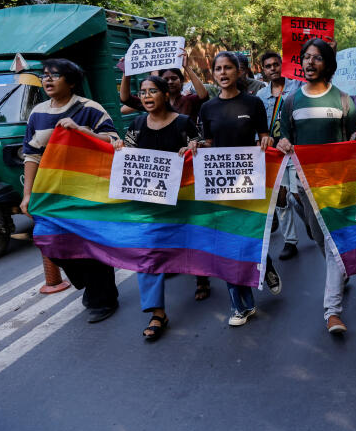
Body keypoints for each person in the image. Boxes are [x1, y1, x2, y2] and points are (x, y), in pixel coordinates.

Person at [21, 59, 120, 323]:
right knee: (50, 242)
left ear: (72, 81)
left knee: (90, 245)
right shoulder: (37, 113)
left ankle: (104, 299)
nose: (48, 80)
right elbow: (31, 156)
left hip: (88, 192)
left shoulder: (90, 109)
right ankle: (90, 284)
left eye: (55, 75)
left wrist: (83, 132)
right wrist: (27, 195)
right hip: (51, 193)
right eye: (44, 76)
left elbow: (114, 142)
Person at [189, 51, 280, 326]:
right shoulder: (207, 108)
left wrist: (267, 141)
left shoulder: (253, 103)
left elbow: (265, 137)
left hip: (248, 182)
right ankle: (239, 307)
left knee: (246, 239)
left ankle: (266, 264)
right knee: (225, 245)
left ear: (239, 72)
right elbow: (208, 143)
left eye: (228, 68)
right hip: (218, 185)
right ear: (213, 74)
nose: (223, 73)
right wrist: (195, 145)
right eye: (218, 69)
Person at [276, 38, 356, 334]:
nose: (310, 63)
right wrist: (282, 142)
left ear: (328, 64)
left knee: (332, 241)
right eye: (306, 58)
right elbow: (282, 137)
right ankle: (341, 271)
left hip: (336, 184)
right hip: (304, 184)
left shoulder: (345, 100)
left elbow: (354, 139)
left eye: (317, 58)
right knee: (317, 236)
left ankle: (332, 312)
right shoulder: (290, 101)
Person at [112, 76, 200, 340]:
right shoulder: (137, 124)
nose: (147, 96)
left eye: (153, 91)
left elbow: (205, 147)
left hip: (185, 202)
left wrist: (195, 147)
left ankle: (202, 276)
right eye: (143, 92)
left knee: (193, 244)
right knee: (148, 254)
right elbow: (127, 156)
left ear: (165, 94)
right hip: (151, 205)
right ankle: (157, 312)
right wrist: (120, 147)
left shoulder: (184, 123)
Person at [256, 51, 302, 261]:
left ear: (283, 66)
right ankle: (290, 240)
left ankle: (310, 223)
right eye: (268, 66)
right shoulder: (261, 96)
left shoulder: (297, 87)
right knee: (282, 198)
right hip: (274, 153)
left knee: (298, 194)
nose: (273, 68)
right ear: (263, 71)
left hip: (296, 149)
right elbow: (258, 125)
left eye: (276, 64)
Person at [120, 53, 210, 122]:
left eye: (174, 78)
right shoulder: (154, 102)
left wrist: (187, 67)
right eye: (166, 79)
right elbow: (125, 99)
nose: (170, 82)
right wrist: (126, 73)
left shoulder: (190, 100)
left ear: (181, 80)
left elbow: (203, 96)